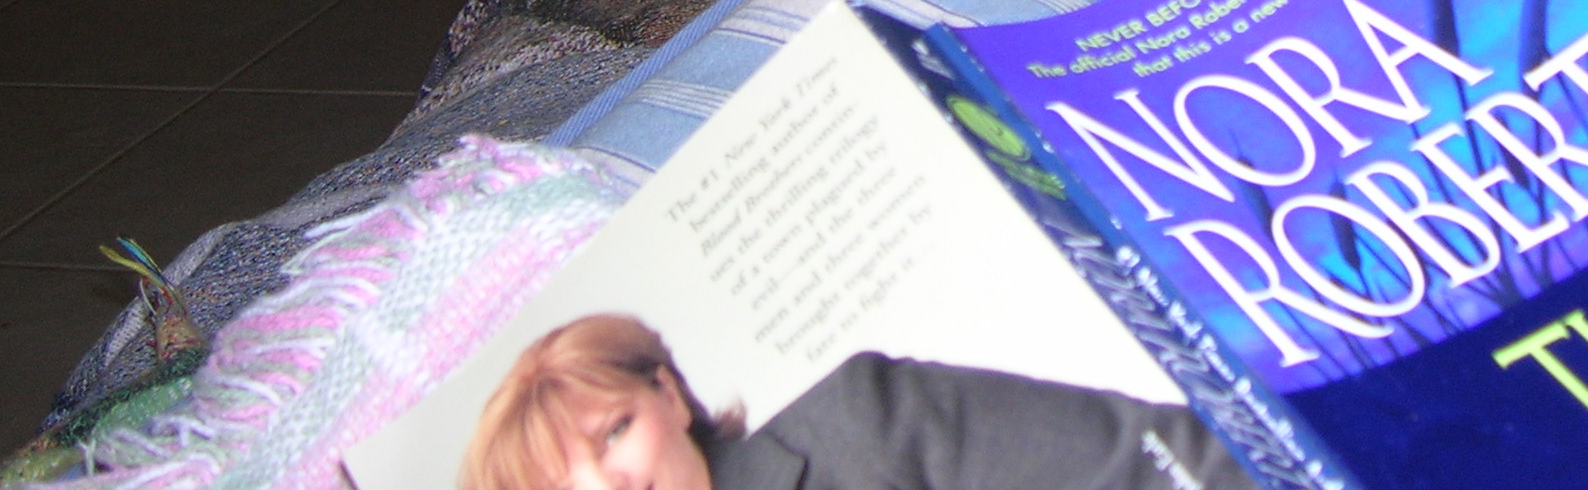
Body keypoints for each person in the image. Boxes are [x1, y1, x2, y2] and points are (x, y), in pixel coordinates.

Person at [460, 314, 1256, 490]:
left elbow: (1165, 462)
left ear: (667, 394)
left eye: (612, 434)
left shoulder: (852, 424)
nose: (609, 485)